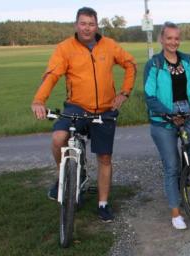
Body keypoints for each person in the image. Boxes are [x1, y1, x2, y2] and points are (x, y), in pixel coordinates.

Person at [31, 6, 136, 222]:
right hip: (76, 106)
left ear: (97, 26)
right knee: (58, 137)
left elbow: (130, 64)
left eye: (91, 24)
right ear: (76, 25)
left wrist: (124, 92)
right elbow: (51, 76)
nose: (87, 28)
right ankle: (65, 180)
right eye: (83, 23)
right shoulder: (65, 48)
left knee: (105, 157)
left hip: (106, 109)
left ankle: (103, 203)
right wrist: (39, 100)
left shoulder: (109, 45)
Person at [144, 22, 190, 230]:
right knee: (172, 166)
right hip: (163, 117)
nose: (173, 42)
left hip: (188, 111)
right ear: (162, 39)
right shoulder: (154, 65)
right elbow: (149, 96)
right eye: (169, 38)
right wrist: (169, 113)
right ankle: (175, 212)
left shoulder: (187, 63)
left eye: (176, 38)